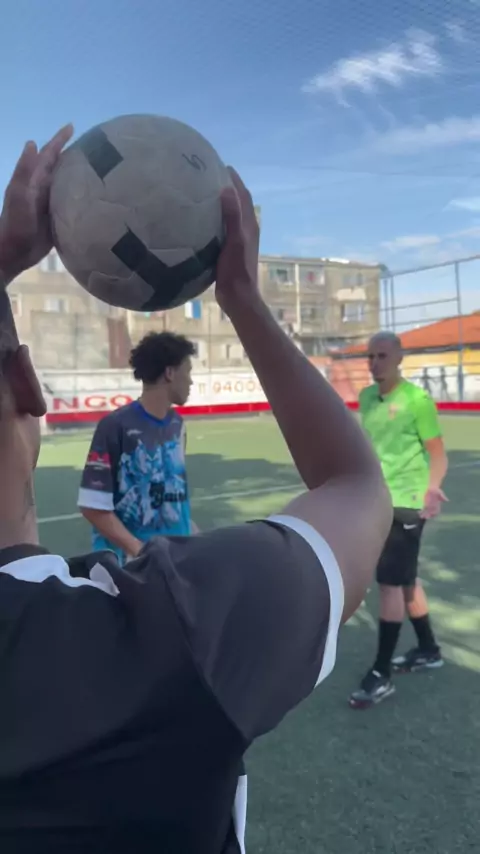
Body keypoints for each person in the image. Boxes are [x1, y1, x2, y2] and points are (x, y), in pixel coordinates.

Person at [0, 125, 391, 854]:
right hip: (149, 582)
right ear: (28, 384)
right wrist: (241, 297)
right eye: (182, 369)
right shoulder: (167, 634)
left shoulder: (174, 435)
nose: (187, 378)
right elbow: (356, 485)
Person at [349, 331, 448, 710]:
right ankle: (428, 648)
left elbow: (437, 454)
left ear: (399, 358)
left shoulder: (417, 401)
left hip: (407, 503)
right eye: (371, 356)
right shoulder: (367, 398)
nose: (375, 363)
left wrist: (432, 488)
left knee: (389, 583)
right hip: (378, 500)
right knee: (405, 581)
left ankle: (381, 673)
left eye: (382, 356)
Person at [78, 331, 197, 564]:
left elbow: (174, 494)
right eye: (188, 372)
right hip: (132, 566)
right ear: (170, 373)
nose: (191, 381)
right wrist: (139, 551)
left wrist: (191, 535)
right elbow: (93, 507)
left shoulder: (177, 424)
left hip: (174, 559)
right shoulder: (115, 426)